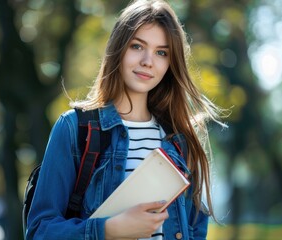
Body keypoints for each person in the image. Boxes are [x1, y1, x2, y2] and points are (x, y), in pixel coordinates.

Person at [26, 0, 225, 239]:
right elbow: (40, 231)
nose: (147, 61)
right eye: (137, 46)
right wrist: (108, 230)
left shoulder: (180, 140)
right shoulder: (75, 128)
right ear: (118, 49)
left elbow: (194, 231)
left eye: (161, 52)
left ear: (170, 64)